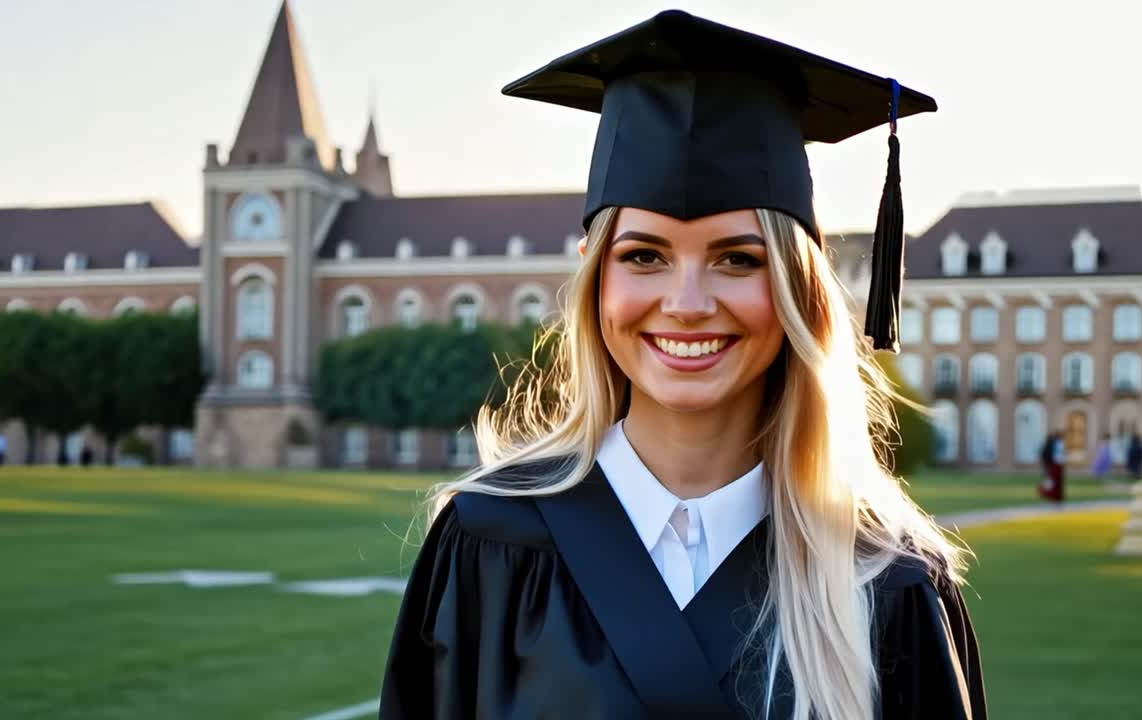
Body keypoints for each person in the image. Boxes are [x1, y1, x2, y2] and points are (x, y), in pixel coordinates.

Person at [379, 11, 985, 719]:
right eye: (644, 256)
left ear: (798, 289)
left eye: (737, 259)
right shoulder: (489, 545)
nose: (688, 302)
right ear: (596, 279)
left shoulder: (888, 585)